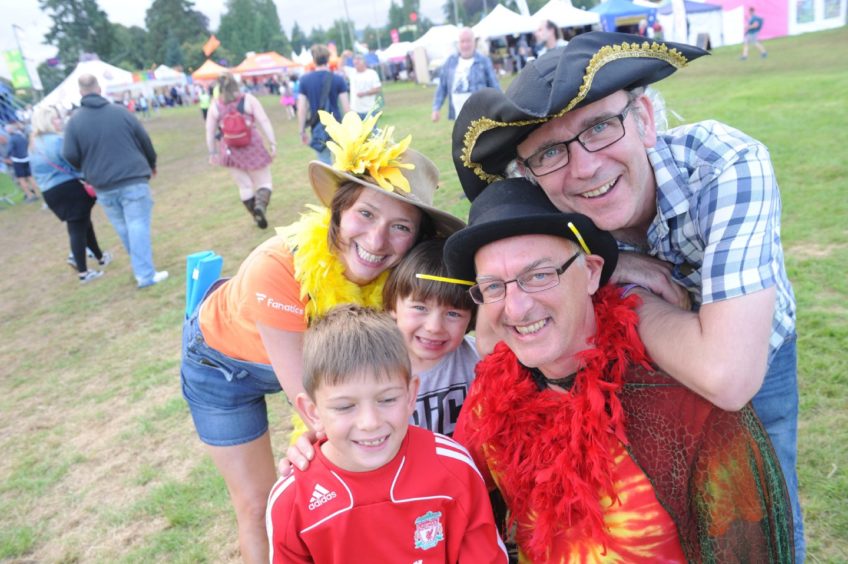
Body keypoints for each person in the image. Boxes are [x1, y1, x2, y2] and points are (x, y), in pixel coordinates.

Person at [450, 31, 804, 560]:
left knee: (758, 510)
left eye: (599, 126)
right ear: (528, 174)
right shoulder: (551, 210)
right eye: (549, 151)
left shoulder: (727, 165)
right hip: (633, 359)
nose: (585, 166)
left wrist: (631, 291)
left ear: (644, 120)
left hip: (751, 349)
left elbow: (730, 377)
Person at [442, 178, 793, 562]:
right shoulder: (491, 394)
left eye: (539, 275)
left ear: (592, 273)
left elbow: (747, 549)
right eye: (494, 287)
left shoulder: (683, 405)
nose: (516, 308)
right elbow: (450, 499)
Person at [181, 111, 464, 564]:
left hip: (297, 352)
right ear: (339, 211)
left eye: (400, 226)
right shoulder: (276, 268)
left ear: (416, 240)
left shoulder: (393, 280)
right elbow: (314, 402)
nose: (377, 239)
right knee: (258, 504)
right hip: (223, 368)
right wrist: (309, 445)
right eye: (366, 214)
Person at [266, 304, 507, 563]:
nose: (370, 422)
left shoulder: (454, 469)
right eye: (345, 406)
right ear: (312, 412)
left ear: (411, 394)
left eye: (387, 399)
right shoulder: (292, 501)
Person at [63, 74, 167, 288]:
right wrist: (151, 163)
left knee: (125, 227)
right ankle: (145, 273)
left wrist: (87, 168)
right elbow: (144, 139)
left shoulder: (74, 122)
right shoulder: (121, 113)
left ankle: (142, 268)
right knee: (136, 224)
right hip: (131, 177)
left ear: (81, 92)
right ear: (99, 88)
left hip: (103, 183)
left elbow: (69, 154)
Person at [383, 238, 478, 436]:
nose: (434, 327)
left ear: (471, 319)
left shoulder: (479, 359)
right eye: (420, 308)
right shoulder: (372, 367)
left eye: (453, 314)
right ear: (392, 305)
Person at [29, 106, 112, 283]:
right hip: (69, 188)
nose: (59, 121)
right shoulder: (57, 141)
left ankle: (100, 257)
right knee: (77, 229)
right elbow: (73, 163)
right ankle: (83, 271)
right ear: (48, 121)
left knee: (83, 224)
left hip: (50, 192)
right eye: (55, 119)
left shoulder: (33, 145)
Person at [206, 73, 277, 229]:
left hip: (229, 150)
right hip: (252, 146)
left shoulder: (216, 106)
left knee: (244, 186)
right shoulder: (248, 100)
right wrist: (272, 142)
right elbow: (263, 120)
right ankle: (260, 207)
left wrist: (212, 153)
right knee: (264, 182)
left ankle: (255, 215)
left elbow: (210, 131)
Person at [431, 27, 500, 123]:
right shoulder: (450, 62)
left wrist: (501, 107)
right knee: (461, 138)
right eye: (462, 41)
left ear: (474, 43)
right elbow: (442, 87)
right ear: (458, 43)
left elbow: (495, 86)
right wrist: (436, 108)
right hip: (458, 116)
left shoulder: (483, 61)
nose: (465, 45)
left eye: (468, 41)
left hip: (480, 116)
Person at [297, 44, 350, 164]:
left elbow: (302, 108)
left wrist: (302, 131)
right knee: (343, 162)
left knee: (325, 163)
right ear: (328, 58)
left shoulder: (305, 80)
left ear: (313, 59)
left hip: (318, 127)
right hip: (337, 126)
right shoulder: (338, 79)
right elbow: (347, 108)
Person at [4, 121, 41, 202]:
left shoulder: (12, 139)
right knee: (30, 177)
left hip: (18, 160)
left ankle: (30, 195)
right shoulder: (22, 136)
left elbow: (9, 150)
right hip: (27, 158)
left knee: (21, 179)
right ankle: (38, 193)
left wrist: (6, 157)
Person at [346, 54, 383, 119]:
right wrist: (343, 56)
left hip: (369, 110)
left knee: (372, 129)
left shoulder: (372, 73)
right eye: (355, 59)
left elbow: (377, 89)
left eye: (359, 59)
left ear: (365, 62)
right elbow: (340, 67)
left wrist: (365, 93)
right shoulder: (352, 72)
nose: (356, 61)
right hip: (355, 110)